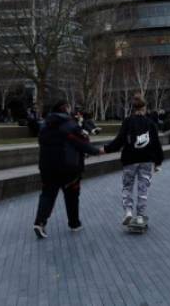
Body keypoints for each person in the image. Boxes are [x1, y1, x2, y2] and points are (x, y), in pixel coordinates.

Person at [33, 100, 104, 239]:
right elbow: (80, 143)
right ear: (65, 109)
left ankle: (39, 223)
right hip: (68, 168)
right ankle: (74, 223)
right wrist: (97, 151)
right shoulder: (70, 125)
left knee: (47, 194)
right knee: (72, 196)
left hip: (47, 166)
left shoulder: (44, 126)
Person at [104, 95, 164, 227]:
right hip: (146, 160)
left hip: (130, 160)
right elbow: (156, 144)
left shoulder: (127, 121)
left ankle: (128, 212)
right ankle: (141, 216)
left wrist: (106, 149)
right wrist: (158, 162)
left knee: (127, 187)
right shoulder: (151, 123)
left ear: (133, 107)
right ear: (144, 108)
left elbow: (119, 140)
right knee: (143, 188)